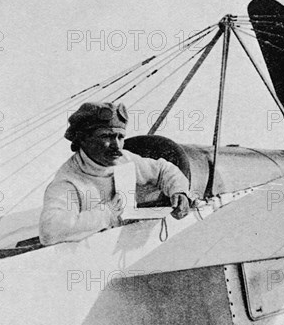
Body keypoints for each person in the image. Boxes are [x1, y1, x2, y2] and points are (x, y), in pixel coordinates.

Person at [39, 102, 192, 245]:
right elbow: (49, 231)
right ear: (84, 139)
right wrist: (107, 213)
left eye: (120, 137)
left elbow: (162, 169)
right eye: (106, 136)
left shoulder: (124, 159)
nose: (117, 146)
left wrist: (178, 191)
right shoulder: (68, 181)